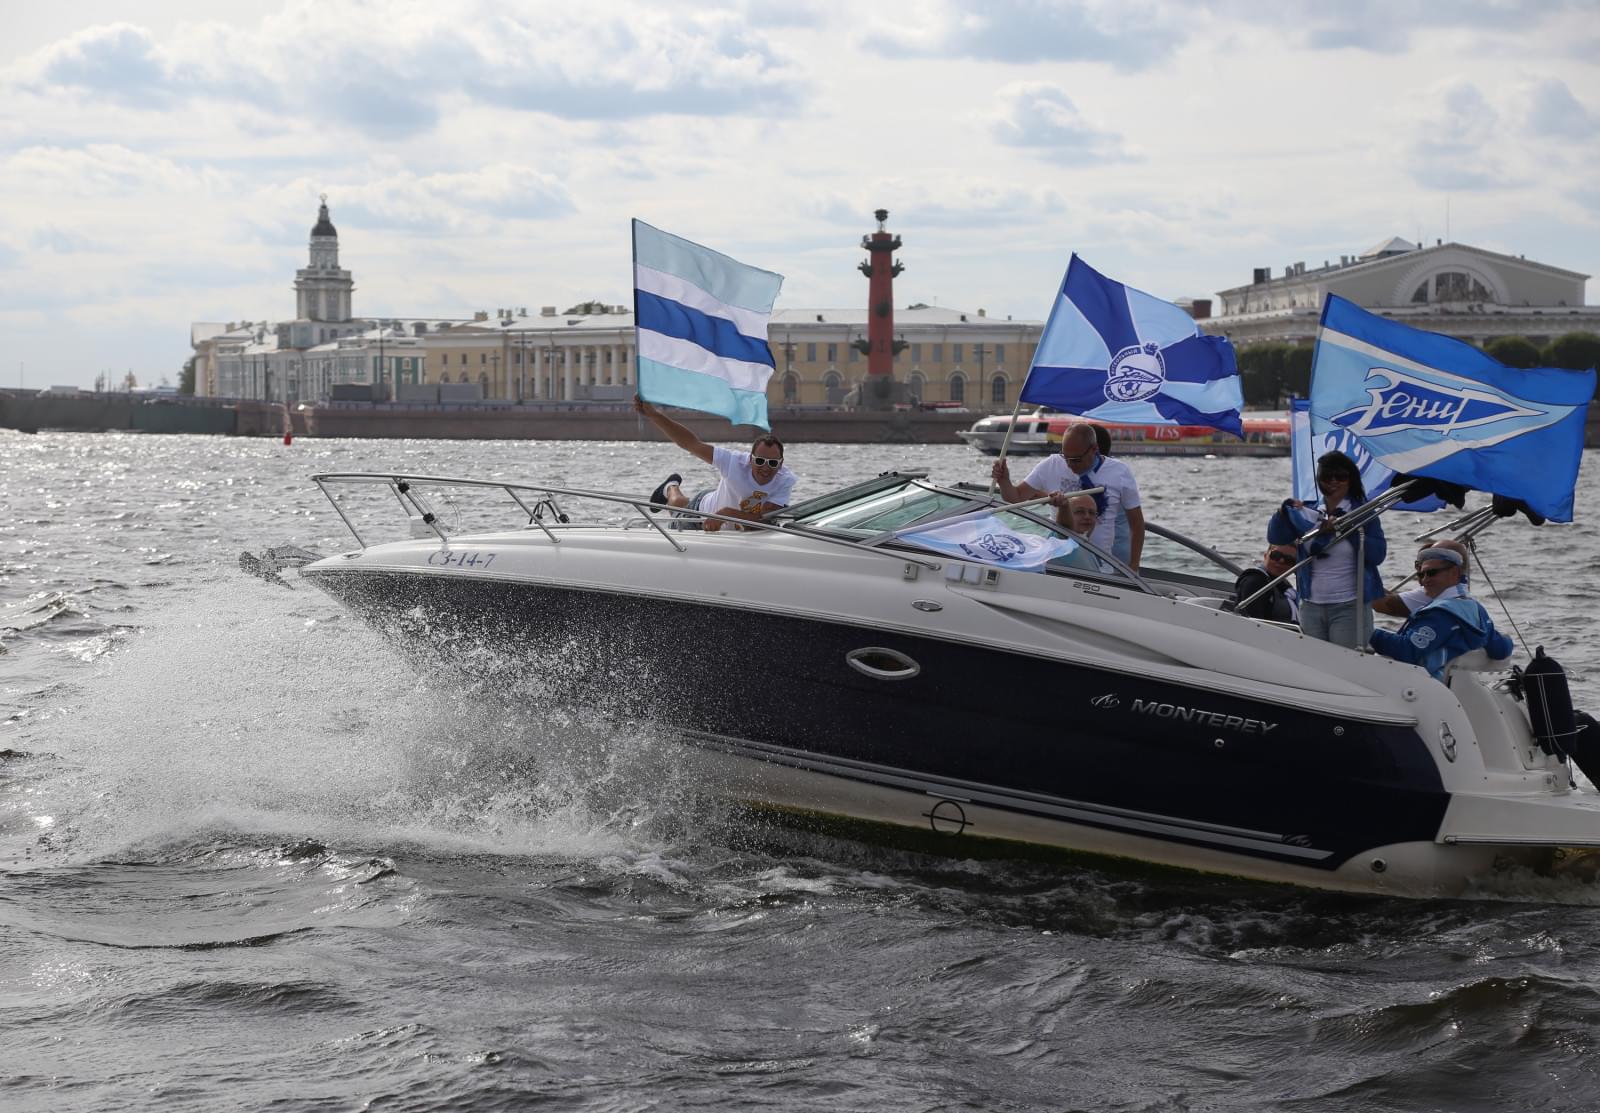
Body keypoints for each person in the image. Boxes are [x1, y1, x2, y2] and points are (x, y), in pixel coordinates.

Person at [1268, 450, 1385, 649]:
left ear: (1351, 479)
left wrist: (1347, 529)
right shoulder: (1308, 512)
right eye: (1326, 477)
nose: (1333, 482)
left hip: (1349, 606)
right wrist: (1283, 512)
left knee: (1344, 664)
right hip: (1310, 605)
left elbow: (1377, 555)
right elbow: (1276, 538)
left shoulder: (1363, 513)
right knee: (1314, 664)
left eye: (1340, 476)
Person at [993, 421, 1145, 569]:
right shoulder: (1051, 465)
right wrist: (1004, 481)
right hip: (1060, 560)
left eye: (1076, 460)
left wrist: (1134, 566)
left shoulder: (1120, 472)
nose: (1070, 465)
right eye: (1066, 458)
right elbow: (1015, 497)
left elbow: (1136, 524)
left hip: (1101, 565)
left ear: (1094, 449)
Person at [635, 397, 796, 532]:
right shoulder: (733, 461)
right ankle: (670, 489)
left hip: (721, 505)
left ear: (781, 464)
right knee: (676, 515)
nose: (766, 467)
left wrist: (727, 514)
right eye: (760, 461)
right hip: (701, 514)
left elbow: (764, 519)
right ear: (750, 459)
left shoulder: (785, 480)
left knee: (684, 504)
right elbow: (691, 444)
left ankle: (672, 486)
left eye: (773, 463)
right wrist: (654, 415)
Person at [1370, 546, 1512, 680]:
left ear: (1454, 572)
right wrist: (1508, 640)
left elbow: (1406, 651)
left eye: (1432, 573)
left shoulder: (1440, 614)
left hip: (1422, 687)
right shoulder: (1476, 609)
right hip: (1453, 688)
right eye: (1421, 574)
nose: (1424, 580)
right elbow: (1500, 650)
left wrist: (1368, 632)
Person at [1372, 538, 1471, 618]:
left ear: (1453, 571)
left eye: (1432, 571)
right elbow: (1392, 599)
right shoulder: (1461, 589)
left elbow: (1380, 603)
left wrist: (1362, 568)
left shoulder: (1439, 591)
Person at [1231, 542, 1300, 623]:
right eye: (1276, 555)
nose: (1281, 561)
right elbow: (1252, 622)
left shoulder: (1283, 585)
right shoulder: (1255, 581)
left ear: (1293, 565)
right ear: (1265, 555)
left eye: (1288, 559)